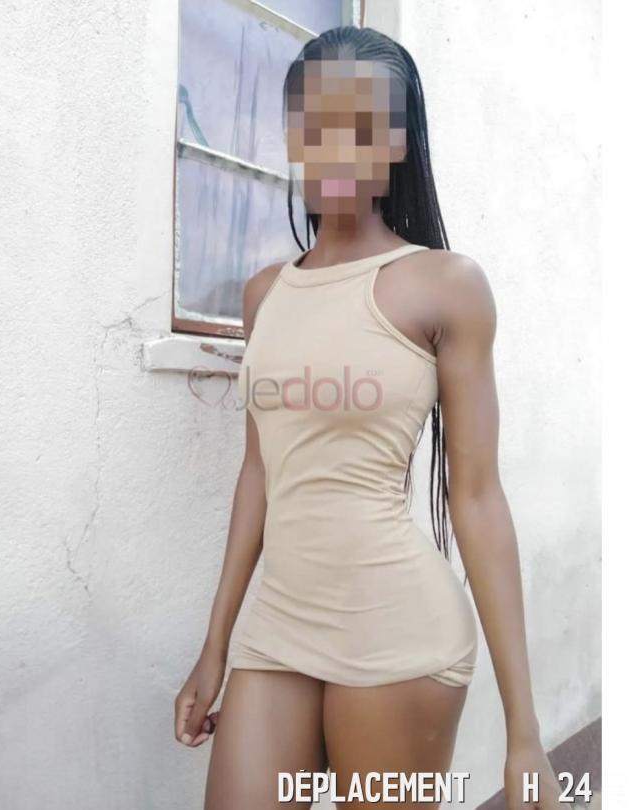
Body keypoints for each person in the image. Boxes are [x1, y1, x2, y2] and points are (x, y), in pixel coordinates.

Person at [175, 26, 562, 810]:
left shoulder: (445, 286)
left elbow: (477, 498)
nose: (336, 151)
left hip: (399, 634)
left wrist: (525, 733)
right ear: (294, 137)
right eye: (317, 127)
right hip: (278, 627)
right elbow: (259, 475)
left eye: (361, 129)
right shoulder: (264, 294)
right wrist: (215, 646)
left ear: (396, 144)